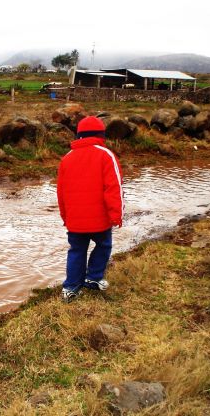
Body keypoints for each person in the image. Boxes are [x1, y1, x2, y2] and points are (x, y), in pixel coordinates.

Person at [56, 116, 124, 302]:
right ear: (101, 134)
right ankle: (93, 278)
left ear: (79, 135)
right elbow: (114, 188)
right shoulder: (106, 155)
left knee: (76, 250)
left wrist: (65, 217)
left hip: (75, 220)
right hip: (100, 220)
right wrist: (116, 215)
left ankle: (71, 288)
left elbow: (60, 193)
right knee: (103, 245)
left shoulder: (66, 159)